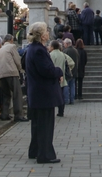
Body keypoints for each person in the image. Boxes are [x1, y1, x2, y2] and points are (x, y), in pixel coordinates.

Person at [25, 22, 63, 164]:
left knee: (37, 124)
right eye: (46, 31)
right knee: (45, 125)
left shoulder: (32, 48)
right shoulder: (39, 50)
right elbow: (46, 70)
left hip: (37, 93)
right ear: (42, 35)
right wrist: (58, 71)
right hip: (43, 94)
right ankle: (45, 155)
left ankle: (34, 150)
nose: (48, 33)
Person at [0, 34, 28, 122]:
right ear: (11, 40)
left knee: (6, 95)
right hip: (11, 72)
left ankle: (4, 114)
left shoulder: (1, 48)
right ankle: (18, 115)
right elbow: (17, 60)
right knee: (17, 94)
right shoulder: (12, 47)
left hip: (2, 74)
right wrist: (20, 69)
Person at [49, 40, 74, 117]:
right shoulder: (62, 54)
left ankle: (51, 111)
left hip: (52, 78)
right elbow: (71, 63)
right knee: (61, 96)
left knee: (52, 96)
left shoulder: (50, 55)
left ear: (52, 47)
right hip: (62, 77)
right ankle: (61, 111)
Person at [63, 38, 79, 105]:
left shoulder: (65, 51)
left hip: (67, 71)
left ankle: (66, 100)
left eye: (64, 44)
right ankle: (72, 99)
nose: (64, 45)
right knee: (72, 86)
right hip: (74, 71)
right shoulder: (75, 50)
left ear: (67, 44)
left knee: (66, 86)